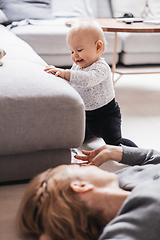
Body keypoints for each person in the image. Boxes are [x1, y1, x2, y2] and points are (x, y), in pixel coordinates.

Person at [17, 144, 160, 240]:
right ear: (81, 186)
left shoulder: (122, 179)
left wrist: (117, 152)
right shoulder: (130, 226)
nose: (86, 167)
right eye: (79, 168)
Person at [44, 20, 137, 147]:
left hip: (106, 116)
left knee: (115, 143)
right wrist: (57, 77)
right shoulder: (76, 67)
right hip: (85, 116)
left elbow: (87, 79)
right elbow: (72, 84)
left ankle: (139, 156)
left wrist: (65, 73)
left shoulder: (101, 67)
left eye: (79, 50)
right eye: (71, 51)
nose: (74, 56)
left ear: (98, 47)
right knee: (72, 139)